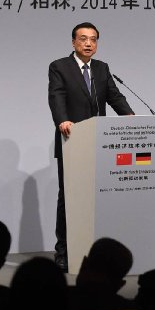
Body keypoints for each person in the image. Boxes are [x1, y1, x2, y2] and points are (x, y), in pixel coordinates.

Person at [48, 22, 134, 271]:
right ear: (73, 42)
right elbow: (56, 95)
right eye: (83, 39)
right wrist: (62, 120)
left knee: (97, 198)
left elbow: (114, 96)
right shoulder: (59, 67)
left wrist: (129, 115)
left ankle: (94, 249)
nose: (88, 43)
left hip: (100, 142)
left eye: (93, 39)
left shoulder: (101, 68)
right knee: (69, 198)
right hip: (72, 140)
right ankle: (63, 252)